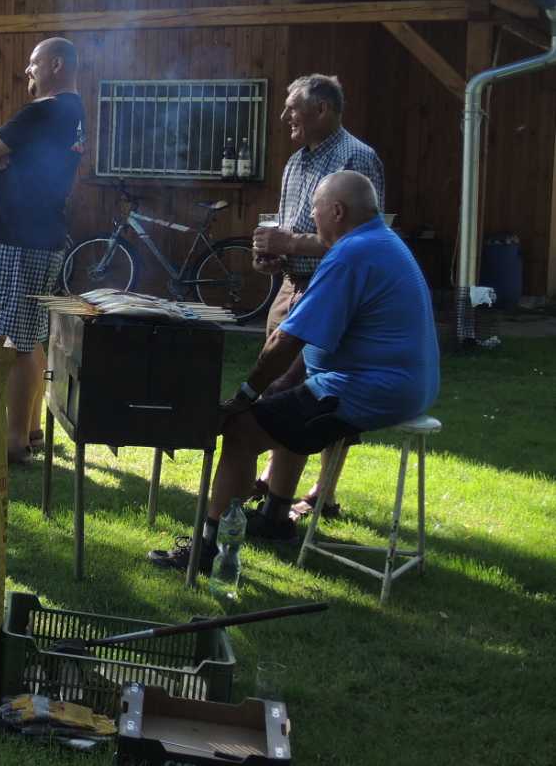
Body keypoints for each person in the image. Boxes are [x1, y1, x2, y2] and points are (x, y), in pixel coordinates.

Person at [150, 171, 436, 574]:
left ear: (336, 211)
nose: (312, 221)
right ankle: (274, 519)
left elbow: (286, 340)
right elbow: (322, 334)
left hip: (371, 389)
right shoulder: (380, 242)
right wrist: (281, 383)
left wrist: (245, 396)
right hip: (400, 384)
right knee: (284, 404)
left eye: (315, 211)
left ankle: (210, 549)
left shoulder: (350, 254)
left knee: (241, 431)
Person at [250, 74, 386, 521]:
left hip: (335, 293)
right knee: (277, 385)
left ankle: (320, 493)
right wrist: (272, 255)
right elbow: (290, 228)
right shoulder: (295, 163)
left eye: (293, 107)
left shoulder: (356, 158)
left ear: (322, 109)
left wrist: (288, 244)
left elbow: (356, 241)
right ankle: (275, 480)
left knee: (320, 392)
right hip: (291, 286)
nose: (285, 115)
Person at [0, 36, 86, 463]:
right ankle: (31, 430)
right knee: (31, 337)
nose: (28, 72)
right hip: (42, 235)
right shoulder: (75, 113)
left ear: (56, 64)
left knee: (6, 339)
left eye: (34, 64)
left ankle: (11, 440)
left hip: (16, 238)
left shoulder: (46, 111)